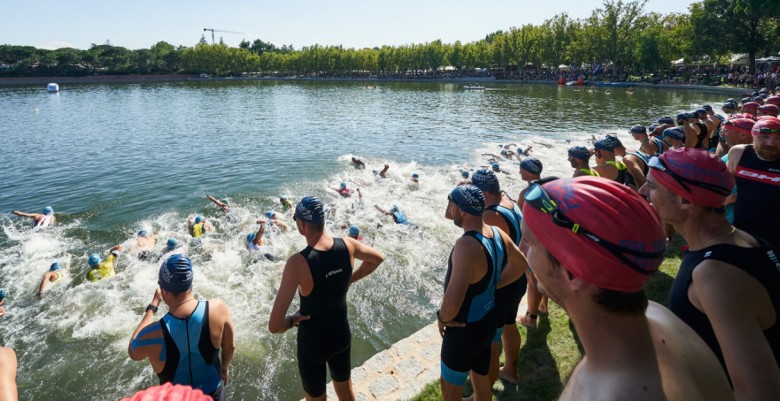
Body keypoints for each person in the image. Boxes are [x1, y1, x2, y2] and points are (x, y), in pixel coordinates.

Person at [521, 176, 734, 401]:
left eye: (529, 241)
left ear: (573, 271)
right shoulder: (656, 316)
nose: (521, 248)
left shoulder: (617, 392)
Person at [640, 148, 780, 400]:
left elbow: (759, 391)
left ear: (685, 201)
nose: (642, 192)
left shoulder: (715, 275)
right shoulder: (740, 239)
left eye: (651, 186)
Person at [268, 196, 384, 401]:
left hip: (313, 344)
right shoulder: (348, 245)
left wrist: (292, 320)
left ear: (302, 224)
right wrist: (349, 279)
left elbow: (275, 326)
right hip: (341, 334)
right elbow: (377, 259)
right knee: (346, 391)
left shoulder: (297, 263)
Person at [439, 185, 527, 401]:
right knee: (481, 381)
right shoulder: (496, 233)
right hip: (486, 323)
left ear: (462, 210)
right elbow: (521, 263)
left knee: (450, 393)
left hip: (463, 331)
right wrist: (494, 284)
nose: (448, 210)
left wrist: (442, 317)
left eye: (451, 206)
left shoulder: (466, 246)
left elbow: (452, 302)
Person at [128, 254, 235, 401]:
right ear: (190, 282)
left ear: (164, 290)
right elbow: (230, 347)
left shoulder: (153, 333)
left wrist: (152, 307)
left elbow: (133, 351)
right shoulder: (218, 309)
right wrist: (224, 370)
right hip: (213, 395)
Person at [470, 170, 529, 385]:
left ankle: (484, 389)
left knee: (491, 341)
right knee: (509, 325)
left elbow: (487, 254)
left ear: (485, 192)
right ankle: (511, 371)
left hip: (504, 281)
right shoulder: (509, 201)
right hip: (518, 278)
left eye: (476, 193)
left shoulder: (491, 215)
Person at [727, 117, 780, 247]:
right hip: (741, 228)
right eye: (764, 137)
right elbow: (726, 185)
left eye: (777, 138)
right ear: (753, 136)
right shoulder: (738, 153)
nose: (771, 143)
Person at [515, 157, 549, 327]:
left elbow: (519, 214)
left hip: (533, 242)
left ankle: (531, 318)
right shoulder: (547, 186)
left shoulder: (526, 192)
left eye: (521, 169)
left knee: (532, 280)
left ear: (528, 171)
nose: (519, 172)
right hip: (547, 238)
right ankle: (543, 306)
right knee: (542, 275)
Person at [121, 383, 211, 401]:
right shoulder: (216, 331)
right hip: (211, 386)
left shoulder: (152, 334)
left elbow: (134, 354)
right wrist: (223, 369)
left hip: (172, 382)